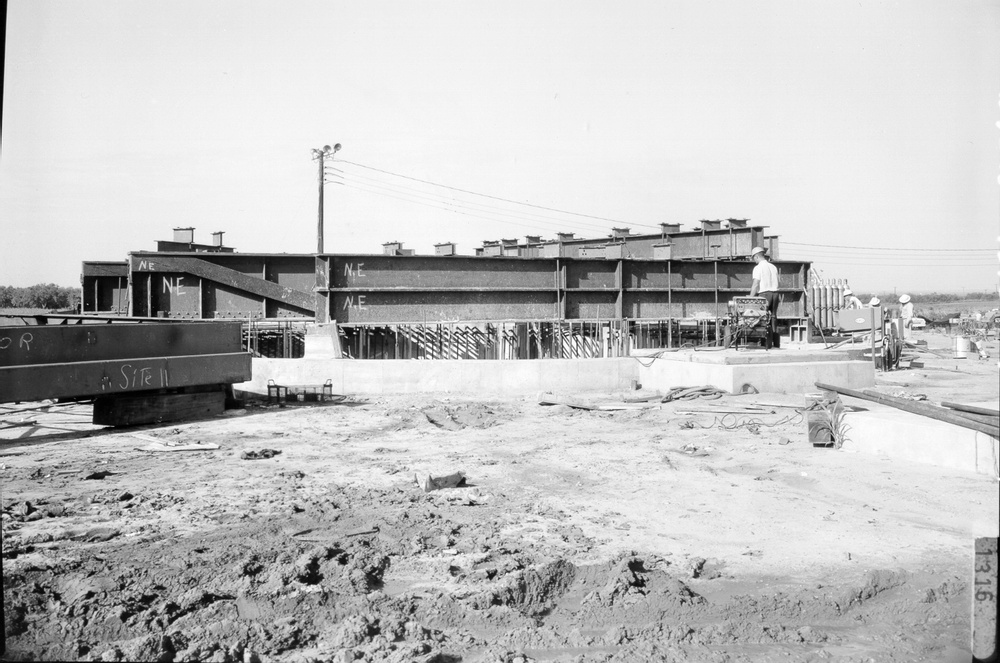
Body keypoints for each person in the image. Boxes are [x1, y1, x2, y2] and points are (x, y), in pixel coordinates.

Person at [748, 246, 780, 348]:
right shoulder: (773, 267)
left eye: (754, 258)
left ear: (756, 256)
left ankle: (764, 342)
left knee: (761, 317)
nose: (754, 261)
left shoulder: (758, 268)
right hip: (775, 293)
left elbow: (755, 284)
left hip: (764, 294)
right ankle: (776, 342)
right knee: (774, 317)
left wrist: (750, 298)